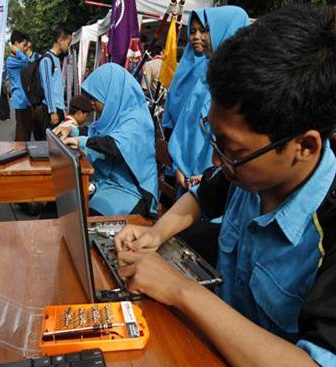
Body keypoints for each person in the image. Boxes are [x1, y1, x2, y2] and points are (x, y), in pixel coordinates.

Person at [114, 5, 336, 367]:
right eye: (213, 137)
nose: (218, 159)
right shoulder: (250, 172)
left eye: (230, 150)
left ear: (304, 146)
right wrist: (155, 233)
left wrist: (180, 289)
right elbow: (202, 197)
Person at [168, 7, 249, 195]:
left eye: (207, 30)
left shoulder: (241, 86)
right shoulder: (206, 77)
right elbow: (187, 125)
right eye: (194, 31)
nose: (200, 37)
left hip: (217, 187)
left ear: (229, 32)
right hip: (189, 179)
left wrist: (212, 175)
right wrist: (180, 164)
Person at [62, 63, 158, 217]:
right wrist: (71, 130)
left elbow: (115, 145)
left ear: (112, 93)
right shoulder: (118, 112)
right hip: (110, 183)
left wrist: (81, 141)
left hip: (132, 190)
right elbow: (95, 131)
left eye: (95, 97)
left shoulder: (137, 119)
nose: (91, 102)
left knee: (79, 213)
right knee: (69, 204)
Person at [161, 11, 208, 142]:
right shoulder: (183, 65)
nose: (196, 37)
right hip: (174, 138)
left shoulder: (212, 69)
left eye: (203, 31)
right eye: (192, 31)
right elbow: (171, 98)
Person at [38, 26, 71, 132]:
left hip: (58, 109)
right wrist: (52, 111)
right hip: (52, 110)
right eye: (68, 43)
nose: (68, 46)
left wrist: (63, 108)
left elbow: (57, 87)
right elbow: (48, 87)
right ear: (60, 40)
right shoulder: (47, 59)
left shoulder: (56, 59)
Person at [6, 30, 36, 141]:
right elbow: (28, 63)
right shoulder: (11, 61)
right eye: (23, 45)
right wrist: (16, 51)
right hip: (20, 102)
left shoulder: (17, 59)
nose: (24, 48)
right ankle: (18, 156)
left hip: (26, 101)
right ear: (15, 44)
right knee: (21, 136)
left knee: (26, 134)